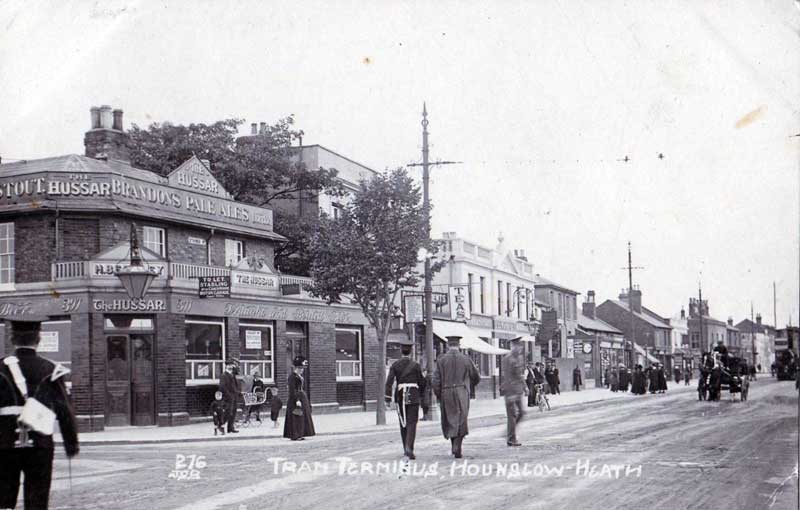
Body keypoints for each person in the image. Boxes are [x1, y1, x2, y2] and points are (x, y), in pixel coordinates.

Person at [0, 318, 79, 510]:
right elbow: (64, 410)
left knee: (3, 497)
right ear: (38, 339)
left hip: (4, 443)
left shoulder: (1, 368)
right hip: (40, 444)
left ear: (12, 339)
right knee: (37, 497)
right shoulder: (51, 370)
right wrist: (71, 443)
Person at [432, 336, 480, 459]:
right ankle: (458, 445)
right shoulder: (466, 359)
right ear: (459, 345)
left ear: (448, 345)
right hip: (462, 391)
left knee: (449, 419)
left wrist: (439, 393)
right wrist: (469, 387)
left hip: (446, 391)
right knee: (461, 419)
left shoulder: (441, 360)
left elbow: (436, 380)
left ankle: (454, 444)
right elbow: (476, 376)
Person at [385, 341, 426, 459]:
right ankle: (409, 448)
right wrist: (422, 394)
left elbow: (389, 382)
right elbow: (422, 382)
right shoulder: (416, 365)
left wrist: (387, 398)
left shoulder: (395, 365)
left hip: (400, 397)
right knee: (412, 423)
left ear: (401, 351)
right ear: (411, 352)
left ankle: (405, 448)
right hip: (413, 396)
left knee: (403, 423)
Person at [501, 338, 527, 447]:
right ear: (513, 346)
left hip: (518, 390)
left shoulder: (519, 358)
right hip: (511, 390)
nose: (520, 349)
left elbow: (519, 374)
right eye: (518, 346)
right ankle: (511, 438)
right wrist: (510, 393)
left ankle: (509, 433)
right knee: (512, 415)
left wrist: (524, 387)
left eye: (521, 346)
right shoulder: (508, 359)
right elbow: (507, 376)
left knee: (521, 412)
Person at [284, 356, 315, 440]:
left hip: (301, 397)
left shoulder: (299, 376)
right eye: (299, 368)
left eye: (302, 368)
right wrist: (297, 400)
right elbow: (292, 390)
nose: (301, 370)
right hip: (295, 399)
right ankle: (295, 434)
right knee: (296, 416)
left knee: (301, 417)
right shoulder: (292, 377)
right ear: (296, 368)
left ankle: (300, 433)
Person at [219, 361, 241, 433]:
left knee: (233, 412)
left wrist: (238, 392)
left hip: (234, 396)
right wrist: (228, 395)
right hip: (228, 397)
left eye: (232, 365)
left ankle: (230, 428)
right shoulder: (224, 375)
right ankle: (220, 425)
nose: (231, 366)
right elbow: (222, 387)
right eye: (229, 365)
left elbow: (236, 384)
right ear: (226, 366)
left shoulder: (233, 375)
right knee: (228, 412)